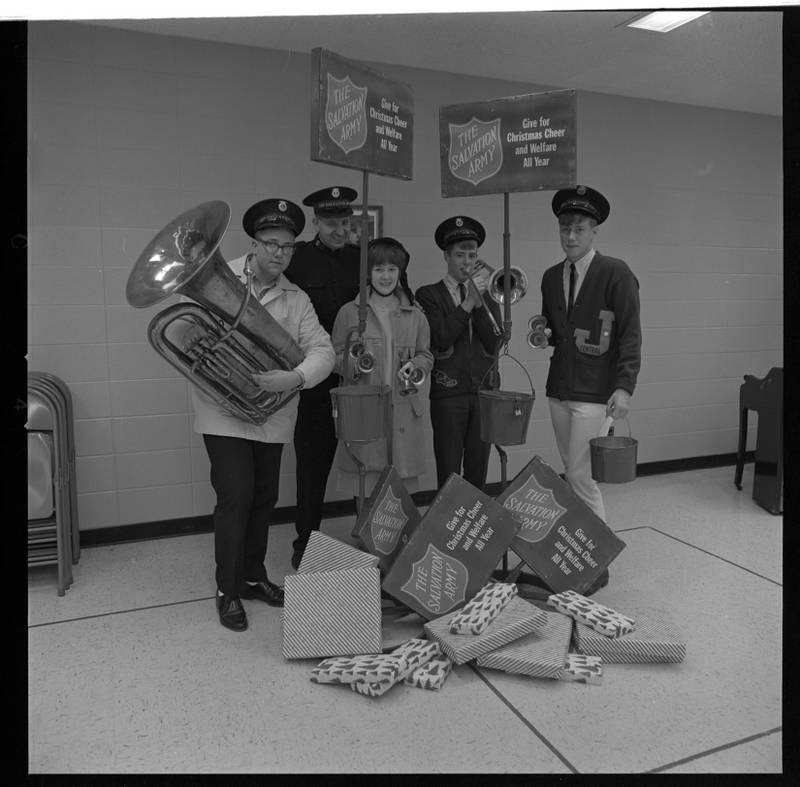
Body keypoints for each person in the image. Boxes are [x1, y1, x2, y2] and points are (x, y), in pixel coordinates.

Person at [184, 198, 335, 631]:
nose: (279, 253)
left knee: (265, 498)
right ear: (254, 243)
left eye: (287, 246)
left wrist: (296, 378)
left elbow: (323, 351)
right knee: (236, 496)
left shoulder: (297, 298)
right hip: (223, 411)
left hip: (271, 413)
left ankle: (253, 577)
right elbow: (191, 331)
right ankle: (227, 590)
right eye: (271, 243)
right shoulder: (219, 278)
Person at [537, 185, 641, 590]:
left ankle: (595, 560)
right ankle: (579, 550)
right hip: (559, 389)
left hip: (596, 393)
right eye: (564, 228)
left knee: (582, 478)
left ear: (594, 230)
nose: (570, 236)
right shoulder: (550, 276)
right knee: (573, 472)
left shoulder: (616, 272)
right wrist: (544, 334)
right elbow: (552, 327)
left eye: (579, 228)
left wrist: (625, 387)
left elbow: (631, 333)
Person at [283, 186, 361, 570]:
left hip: (358, 381)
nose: (340, 230)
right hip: (315, 382)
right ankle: (305, 544)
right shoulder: (295, 261)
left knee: (369, 461)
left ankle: (370, 537)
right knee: (311, 468)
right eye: (332, 224)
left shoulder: (364, 260)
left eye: (346, 223)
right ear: (315, 222)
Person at [330, 237, 433, 500]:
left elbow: (426, 355)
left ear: (400, 273)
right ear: (368, 273)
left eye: (391, 270)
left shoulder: (416, 315)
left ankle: (396, 540)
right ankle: (364, 541)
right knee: (365, 484)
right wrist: (357, 363)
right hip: (364, 407)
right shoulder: (349, 313)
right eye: (378, 269)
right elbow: (334, 357)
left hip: (403, 407)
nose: (385, 276)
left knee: (399, 494)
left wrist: (416, 366)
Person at [415, 216, 503, 492]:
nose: (466, 261)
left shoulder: (488, 294)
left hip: (484, 391)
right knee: (449, 468)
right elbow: (439, 339)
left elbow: (494, 342)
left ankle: (475, 527)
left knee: (479, 468)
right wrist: (468, 303)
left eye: (472, 255)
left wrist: (482, 299)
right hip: (447, 394)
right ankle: (449, 530)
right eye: (460, 255)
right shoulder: (429, 294)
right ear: (446, 256)